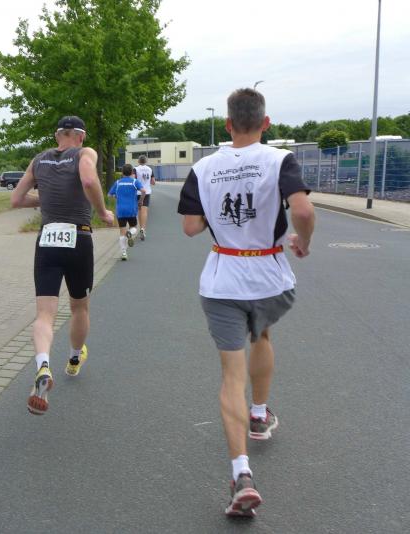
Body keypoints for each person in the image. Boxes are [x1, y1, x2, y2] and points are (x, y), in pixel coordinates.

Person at [177, 88, 315, 518]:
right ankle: (258, 415)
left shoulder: (203, 167)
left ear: (228, 124)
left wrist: (216, 213)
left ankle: (241, 475)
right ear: (266, 123)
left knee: (231, 375)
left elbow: (190, 227)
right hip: (270, 278)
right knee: (263, 333)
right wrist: (303, 241)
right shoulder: (279, 160)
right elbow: (303, 212)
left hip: (223, 279)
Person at [11, 115, 114, 415]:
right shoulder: (85, 153)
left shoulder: (38, 160)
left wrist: (43, 200)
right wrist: (103, 212)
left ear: (58, 136)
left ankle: (43, 364)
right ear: (81, 136)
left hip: (47, 239)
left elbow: (16, 199)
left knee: (45, 313)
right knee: (79, 307)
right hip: (78, 237)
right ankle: (73, 358)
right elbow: (89, 180)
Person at [108, 163, 144, 260]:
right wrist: (140, 201)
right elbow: (143, 191)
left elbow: (109, 195)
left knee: (122, 232)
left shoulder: (118, 182)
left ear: (122, 172)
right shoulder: (134, 182)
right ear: (132, 172)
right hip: (131, 209)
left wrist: (116, 196)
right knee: (134, 227)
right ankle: (130, 233)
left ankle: (124, 253)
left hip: (120, 210)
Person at [134, 155, 155, 240]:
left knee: (139, 211)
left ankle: (137, 228)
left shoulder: (135, 169)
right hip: (146, 192)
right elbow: (153, 182)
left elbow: (133, 180)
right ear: (146, 161)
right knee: (144, 211)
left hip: (137, 192)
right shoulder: (150, 169)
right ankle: (143, 229)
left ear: (138, 161)